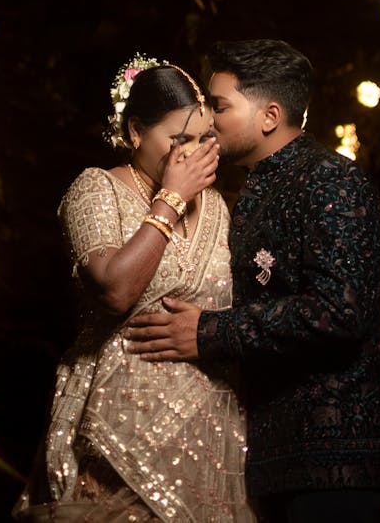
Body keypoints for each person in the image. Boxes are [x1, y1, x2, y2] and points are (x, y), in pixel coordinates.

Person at [123, 39, 380, 522]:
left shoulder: (332, 181)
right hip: (277, 458)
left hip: (336, 458)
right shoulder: (256, 190)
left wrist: (208, 331)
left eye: (220, 106)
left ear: (269, 116)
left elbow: (337, 313)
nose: (208, 121)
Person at [13, 53, 256, 522]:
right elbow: (115, 291)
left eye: (206, 139)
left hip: (209, 432)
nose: (194, 154)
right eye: (179, 140)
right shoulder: (96, 189)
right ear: (134, 133)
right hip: (115, 433)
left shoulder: (220, 210)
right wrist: (171, 199)